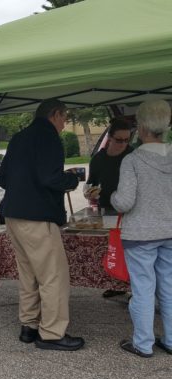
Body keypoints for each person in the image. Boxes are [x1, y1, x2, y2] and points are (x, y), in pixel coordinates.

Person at [0, 98, 84, 351]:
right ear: (54, 114)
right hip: (38, 218)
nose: (64, 123)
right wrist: (70, 180)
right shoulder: (49, 137)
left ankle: (29, 326)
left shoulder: (19, 137)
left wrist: (24, 187)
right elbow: (50, 177)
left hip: (13, 215)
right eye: (64, 117)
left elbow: (2, 178)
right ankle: (52, 333)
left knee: (29, 275)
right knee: (53, 276)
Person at [110, 99, 172, 358]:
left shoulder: (132, 160)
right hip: (170, 232)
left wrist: (112, 196)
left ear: (142, 126)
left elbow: (124, 201)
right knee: (169, 287)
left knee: (143, 289)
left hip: (141, 234)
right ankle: (169, 340)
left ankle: (143, 344)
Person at [85, 118, 134, 298]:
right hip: (107, 208)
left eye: (127, 140)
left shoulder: (132, 155)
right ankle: (116, 284)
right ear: (110, 138)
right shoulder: (98, 159)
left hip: (130, 210)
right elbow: (91, 182)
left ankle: (132, 284)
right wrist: (89, 192)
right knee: (112, 249)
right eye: (119, 140)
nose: (123, 144)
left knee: (129, 249)